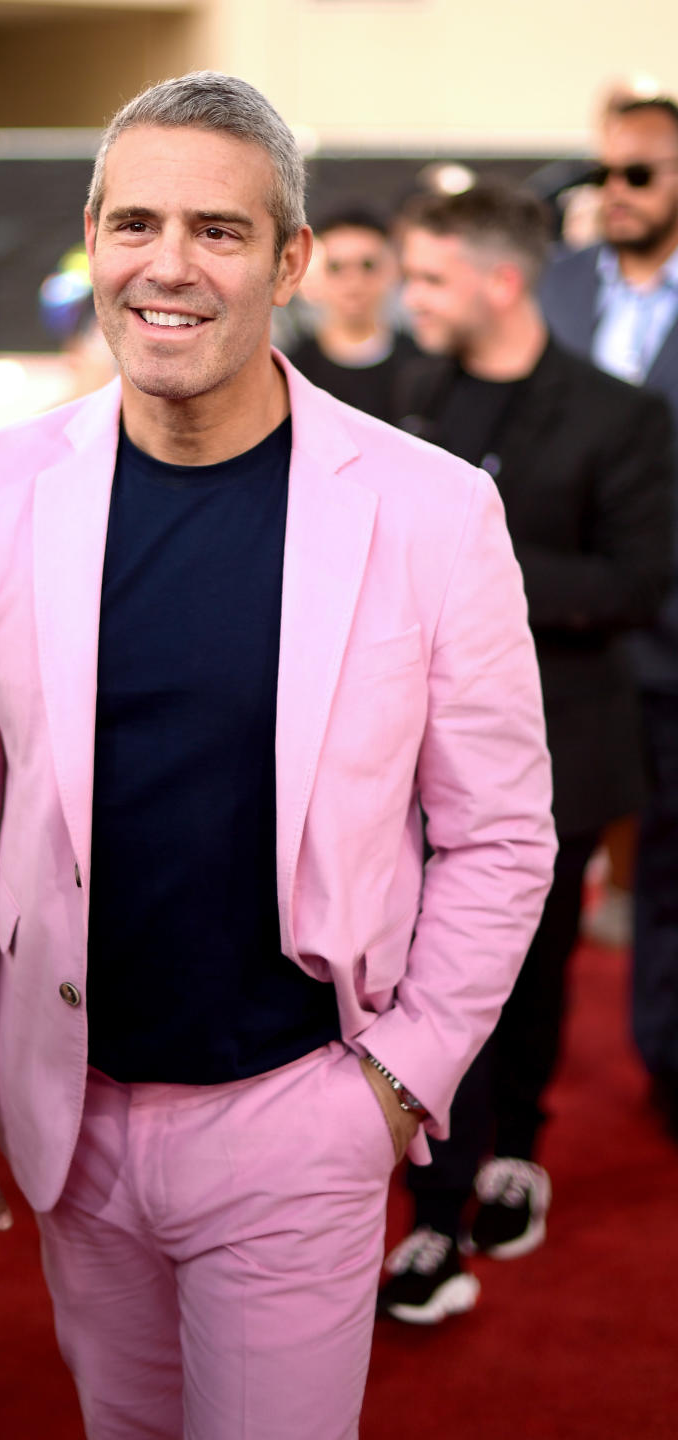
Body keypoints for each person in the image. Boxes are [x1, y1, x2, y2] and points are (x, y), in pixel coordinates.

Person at [0, 73, 556, 1438]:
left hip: (300, 1113)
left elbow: (501, 835)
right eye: (134, 223)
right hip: (66, 1115)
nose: (169, 266)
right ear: (92, 239)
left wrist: (394, 1082)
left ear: (291, 260)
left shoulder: (433, 513)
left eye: (219, 230)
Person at [377, 182, 673, 1324]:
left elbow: (636, 586)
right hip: (413, 754)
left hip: (568, 751)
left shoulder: (619, 416)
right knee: (427, 977)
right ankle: (439, 1213)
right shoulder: (420, 391)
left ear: (502, 283)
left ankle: (515, 1154)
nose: (413, 300)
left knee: (530, 976)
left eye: (431, 280)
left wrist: (477, 564)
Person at [540, 96, 678, 1145]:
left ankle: (668, 1060)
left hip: (672, 632)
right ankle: (498, 1085)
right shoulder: (552, 290)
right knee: (530, 861)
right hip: (561, 631)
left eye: (643, 175)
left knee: (671, 863)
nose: (616, 194)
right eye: (609, 174)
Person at [286, 206, 414, 420]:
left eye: (368, 266)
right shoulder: (292, 371)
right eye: (336, 267)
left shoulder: (421, 366)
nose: (353, 283)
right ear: (315, 274)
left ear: (391, 271)